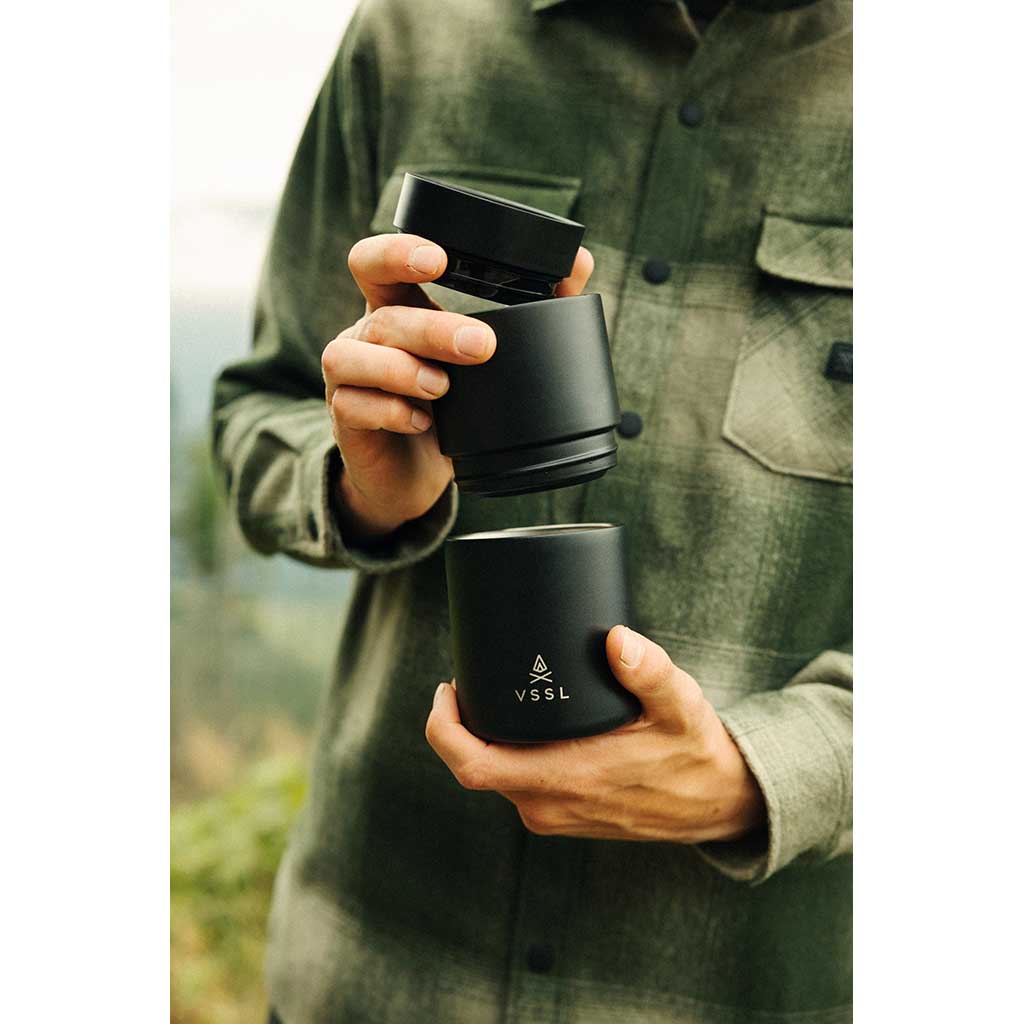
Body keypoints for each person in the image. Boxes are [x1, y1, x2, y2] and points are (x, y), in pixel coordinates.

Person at [212, 1, 852, 1021]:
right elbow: (261, 405)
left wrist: (768, 772)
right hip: (372, 973)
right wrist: (365, 483)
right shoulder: (418, 31)